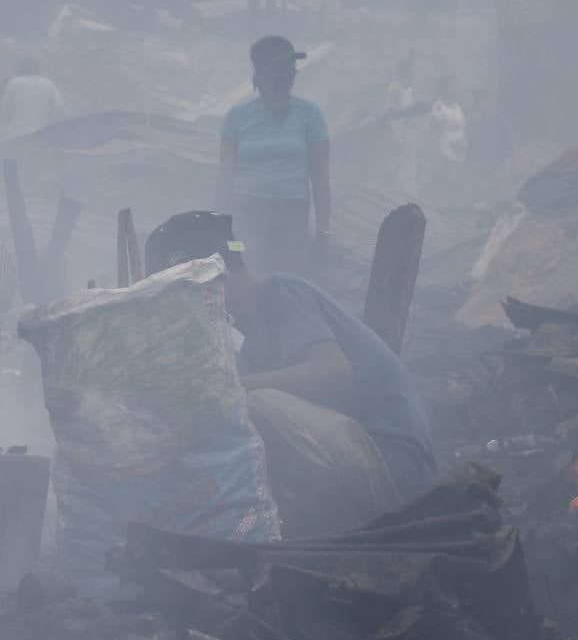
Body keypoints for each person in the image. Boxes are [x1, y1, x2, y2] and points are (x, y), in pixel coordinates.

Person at [144, 211, 440, 537]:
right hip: (368, 465)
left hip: (393, 467)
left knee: (247, 402)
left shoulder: (280, 290)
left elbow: (333, 371)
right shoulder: (251, 338)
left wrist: (231, 386)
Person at [217, 36, 331, 276]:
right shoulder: (237, 117)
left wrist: (323, 232)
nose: (283, 78)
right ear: (259, 77)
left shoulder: (309, 115)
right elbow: (226, 175)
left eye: (288, 71)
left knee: (288, 276)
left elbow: (320, 177)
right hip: (246, 214)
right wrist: (221, 228)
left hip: (291, 215)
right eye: (275, 72)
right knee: (244, 267)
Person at [0, 57, 70, 141]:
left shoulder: (13, 84)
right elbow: (59, 110)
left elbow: (5, 111)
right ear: (37, 69)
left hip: (17, 135)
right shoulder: (48, 84)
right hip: (41, 135)